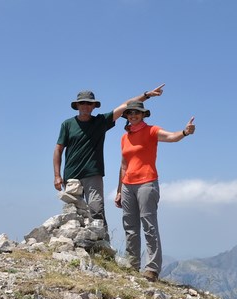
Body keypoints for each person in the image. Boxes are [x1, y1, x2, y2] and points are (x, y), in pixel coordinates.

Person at [53, 85, 165, 238]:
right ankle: (73, 244)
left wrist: (146, 95)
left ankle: (102, 245)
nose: (85, 106)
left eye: (89, 103)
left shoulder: (100, 121)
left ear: (93, 106)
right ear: (77, 105)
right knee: (74, 213)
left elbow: (125, 106)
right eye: (82, 103)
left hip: (93, 174)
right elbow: (58, 149)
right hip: (71, 175)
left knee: (96, 210)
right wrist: (57, 176)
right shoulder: (67, 124)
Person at [114, 100, 195, 282]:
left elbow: (171, 137)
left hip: (147, 183)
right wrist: (119, 190)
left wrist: (184, 132)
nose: (133, 115)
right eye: (130, 113)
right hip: (127, 185)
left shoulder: (151, 131)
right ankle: (132, 264)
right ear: (126, 116)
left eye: (137, 112)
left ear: (143, 115)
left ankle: (151, 269)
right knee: (130, 226)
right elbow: (123, 165)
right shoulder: (124, 138)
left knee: (149, 225)